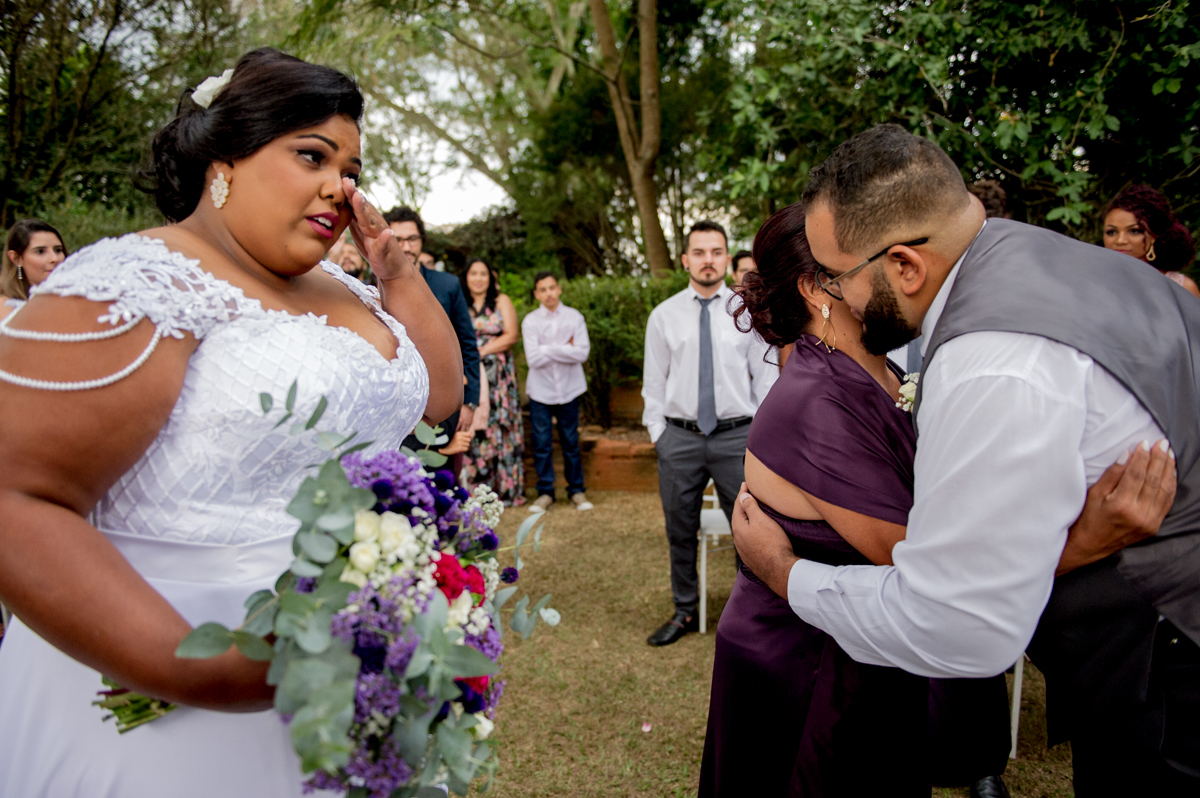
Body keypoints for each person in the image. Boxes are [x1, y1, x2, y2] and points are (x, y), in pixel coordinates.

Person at [0, 48, 462, 797]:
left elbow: (438, 400)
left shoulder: (344, 285)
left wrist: (395, 271)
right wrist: (197, 668)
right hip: (167, 703)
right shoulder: (138, 281)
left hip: (337, 690)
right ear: (224, 160)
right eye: (311, 155)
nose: (339, 187)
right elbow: (15, 498)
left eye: (350, 169)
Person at [732, 124, 1195, 795]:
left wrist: (783, 572)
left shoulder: (988, 363)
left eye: (839, 277)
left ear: (905, 265)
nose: (839, 297)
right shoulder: (1067, 263)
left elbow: (957, 622)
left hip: (1172, 669)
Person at [643, 220, 778, 646]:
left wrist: (759, 436)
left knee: (749, 529)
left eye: (716, 252)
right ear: (685, 260)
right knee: (679, 529)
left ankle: (750, 613)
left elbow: (765, 379)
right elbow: (654, 383)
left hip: (737, 439)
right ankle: (684, 610)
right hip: (679, 439)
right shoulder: (663, 316)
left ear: (726, 258)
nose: (708, 260)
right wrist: (659, 435)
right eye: (699, 253)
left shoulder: (747, 312)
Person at [386, 206, 481, 467]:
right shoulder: (372, 286)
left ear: (421, 240)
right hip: (397, 405)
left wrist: (469, 401)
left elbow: (467, 344)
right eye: (398, 239)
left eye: (412, 238)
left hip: (444, 402)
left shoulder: (447, 284)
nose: (406, 246)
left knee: (443, 478)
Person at [522, 271, 593, 513]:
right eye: (543, 289)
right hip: (540, 391)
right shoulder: (530, 321)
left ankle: (577, 491)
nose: (549, 293)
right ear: (536, 294)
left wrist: (546, 348)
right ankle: (545, 493)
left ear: (559, 289)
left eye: (552, 288)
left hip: (570, 389)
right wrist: (565, 347)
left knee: (570, 441)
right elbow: (533, 359)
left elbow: (582, 352)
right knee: (541, 443)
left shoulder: (574, 317)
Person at [461, 258, 526, 506]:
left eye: (483, 274)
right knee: (474, 424)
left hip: (498, 376)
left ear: (490, 278)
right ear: (466, 277)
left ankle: (506, 489)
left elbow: (511, 335)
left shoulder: (501, 301)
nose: (478, 278)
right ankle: (475, 489)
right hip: (470, 374)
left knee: (501, 424)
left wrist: (482, 351)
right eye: (473, 273)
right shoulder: (460, 302)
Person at [1103, 184, 1199, 299]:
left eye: (1134, 231)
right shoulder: (1092, 281)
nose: (1120, 240)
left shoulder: (1181, 288)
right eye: (1111, 232)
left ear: (1153, 235)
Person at [2, 219, 67, 300]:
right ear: (17, 258)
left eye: (58, 250)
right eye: (40, 251)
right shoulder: (7, 305)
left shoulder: (76, 298)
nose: (54, 258)